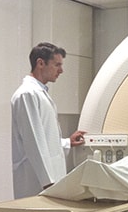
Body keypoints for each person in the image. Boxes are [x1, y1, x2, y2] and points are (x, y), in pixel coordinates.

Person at [11, 42, 86, 198]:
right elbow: (33, 141)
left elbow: (44, 139)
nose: (61, 70)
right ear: (40, 63)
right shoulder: (27, 94)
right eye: (57, 65)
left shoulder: (39, 93)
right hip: (38, 182)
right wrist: (48, 182)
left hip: (48, 180)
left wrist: (67, 142)